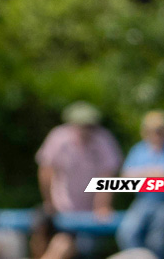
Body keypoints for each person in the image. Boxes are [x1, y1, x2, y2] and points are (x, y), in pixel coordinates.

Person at [37, 102, 123, 259]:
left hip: (90, 214)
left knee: (68, 246)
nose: (86, 130)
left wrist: (102, 206)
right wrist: (49, 202)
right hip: (61, 209)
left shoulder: (104, 140)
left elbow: (107, 177)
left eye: (90, 125)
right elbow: (45, 172)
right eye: (82, 125)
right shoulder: (58, 137)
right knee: (54, 241)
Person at [116, 111, 164, 259]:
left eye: (160, 130)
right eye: (152, 130)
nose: (157, 134)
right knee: (126, 232)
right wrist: (152, 173)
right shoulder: (139, 149)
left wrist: (141, 174)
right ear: (145, 131)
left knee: (156, 239)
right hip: (145, 200)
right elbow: (125, 177)